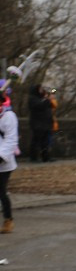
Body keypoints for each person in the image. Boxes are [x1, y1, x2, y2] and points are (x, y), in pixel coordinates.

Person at [0, 91, 18, 233]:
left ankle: (8, 220)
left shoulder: (9, 117)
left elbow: (11, 139)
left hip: (3, 163)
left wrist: (1, 156)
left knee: (1, 191)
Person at [28, 84, 53, 163]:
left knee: (45, 142)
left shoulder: (42, 98)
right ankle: (34, 158)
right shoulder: (32, 99)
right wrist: (47, 100)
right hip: (37, 123)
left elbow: (50, 106)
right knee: (36, 141)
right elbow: (40, 106)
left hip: (45, 123)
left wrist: (48, 98)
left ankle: (46, 158)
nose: (42, 90)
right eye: (40, 89)